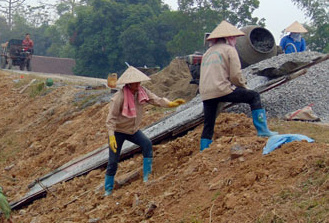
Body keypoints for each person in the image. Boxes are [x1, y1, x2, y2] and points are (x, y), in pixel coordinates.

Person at [104, 66, 185, 196]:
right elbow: (110, 119)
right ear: (129, 84)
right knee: (113, 160)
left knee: (147, 144)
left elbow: (156, 100)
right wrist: (111, 136)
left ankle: (147, 177)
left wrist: (170, 104)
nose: (138, 84)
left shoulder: (142, 92)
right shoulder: (119, 97)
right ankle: (108, 189)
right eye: (135, 82)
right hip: (118, 131)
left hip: (132, 130)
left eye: (138, 82)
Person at [199, 20, 277, 152]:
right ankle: (263, 130)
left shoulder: (208, 53)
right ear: (229, 37)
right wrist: (244, 86)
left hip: (206, 93)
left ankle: (203, 149)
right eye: (234, 37)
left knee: (209, 123)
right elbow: (235, 75)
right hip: (222, 89)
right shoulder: (230, 50)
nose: (235, 40)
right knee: (253, 96)